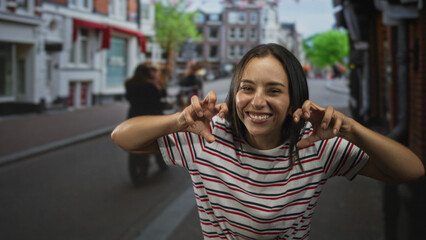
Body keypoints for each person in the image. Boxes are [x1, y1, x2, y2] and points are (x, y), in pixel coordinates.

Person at [112, 44, 424, 239]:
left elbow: (410, 171)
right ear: (235, 93)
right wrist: (178, 120)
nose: (257, 101)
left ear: (294, 100)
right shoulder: (208, 137)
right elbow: (123, 137)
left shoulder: (316, 145)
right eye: (247, 88)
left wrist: (352, 129)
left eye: (274, 91)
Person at [124, 63, 168, 186]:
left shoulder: (129, 83)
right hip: (151, 118)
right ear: (148, 73)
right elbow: (161, 98)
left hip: (134, 117)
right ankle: (160, 162)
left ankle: (136, 172)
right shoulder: (151, 85)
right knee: (157, 141)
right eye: (152, 71)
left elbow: (128, 98)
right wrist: (158, 83)